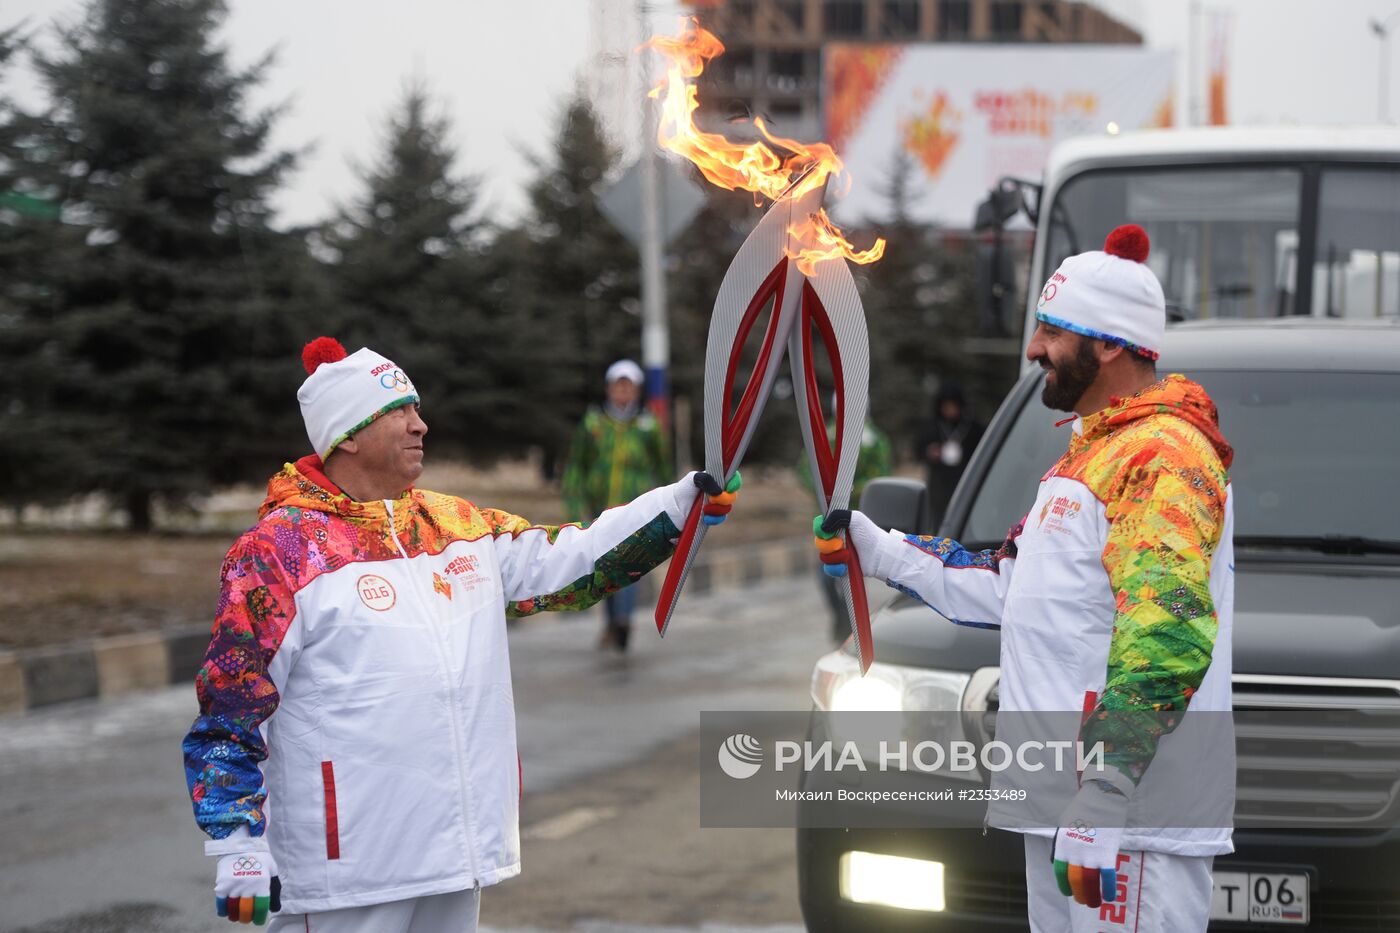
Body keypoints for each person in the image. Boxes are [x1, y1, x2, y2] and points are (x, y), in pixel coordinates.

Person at [181, 337, 738, 931]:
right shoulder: (279, 553)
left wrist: (680, 505)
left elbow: (574, 559)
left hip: (454, 854)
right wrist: (237, 839)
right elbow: (231, 705)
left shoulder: (455, 527)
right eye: (399, 412)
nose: (420, 425)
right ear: (346, 434)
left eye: (416, 409)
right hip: (342, 875)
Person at [817, 225, 1234, 932]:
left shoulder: (1163, 456)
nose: (1035, 348)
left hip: (1127, 819)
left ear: (1106, 344)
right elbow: (1013, 589)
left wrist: (1107, 786)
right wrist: (877, 548)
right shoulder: (1088, 455)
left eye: (1052, 330)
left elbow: (1167, 629)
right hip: (1062, 806)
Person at [560, 359, 671, 652]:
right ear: (609, 389)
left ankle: (623, 621)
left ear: (636, 391)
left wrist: (670, 504)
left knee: (629, 564)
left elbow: (662, 467)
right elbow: (576, 468)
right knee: (604, 566)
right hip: (601, 511)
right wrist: (574, 508)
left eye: (628, 387)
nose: (623, 392)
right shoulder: (594, 425)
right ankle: (611, 622)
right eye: (617, 386)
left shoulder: (648, 427)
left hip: (636, 512)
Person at [797, 407, 893, 642]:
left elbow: (880, 474)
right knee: (825, 576)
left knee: (852, 574)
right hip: (828, 518)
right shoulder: (824, 436)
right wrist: (823, 491)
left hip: (858, 518)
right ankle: (842, 619)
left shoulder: (873, 440)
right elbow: (805, 468)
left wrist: (848, 490)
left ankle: (854, 628)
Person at [914, 382, 984, 527]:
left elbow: (981, 452)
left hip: (964, 480)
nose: (950, 410)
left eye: (953, 406)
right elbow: (918, 449)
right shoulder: (932, 425)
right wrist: (930, 452)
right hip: (939, 484)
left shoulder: (972, 427)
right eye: (946, 406)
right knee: (938, 520)